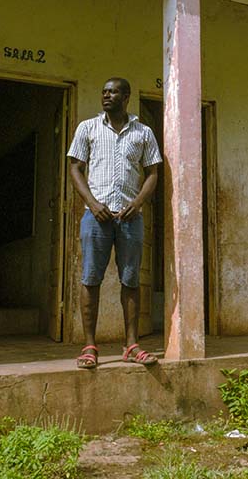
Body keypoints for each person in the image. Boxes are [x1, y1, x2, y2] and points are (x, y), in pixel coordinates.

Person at [66, 77, 162, 369]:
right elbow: (75, 168)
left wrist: (138, 202)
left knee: (130, 280)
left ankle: (131, 345)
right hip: (96, 217)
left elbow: (153, 172)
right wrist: (93, 204)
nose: (106, 96)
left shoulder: (143, 133)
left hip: (130, 218)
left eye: (113, 92)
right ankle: (90, 346)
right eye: (103, 91)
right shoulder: (88, 128)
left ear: (126, 97)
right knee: (90, 279)